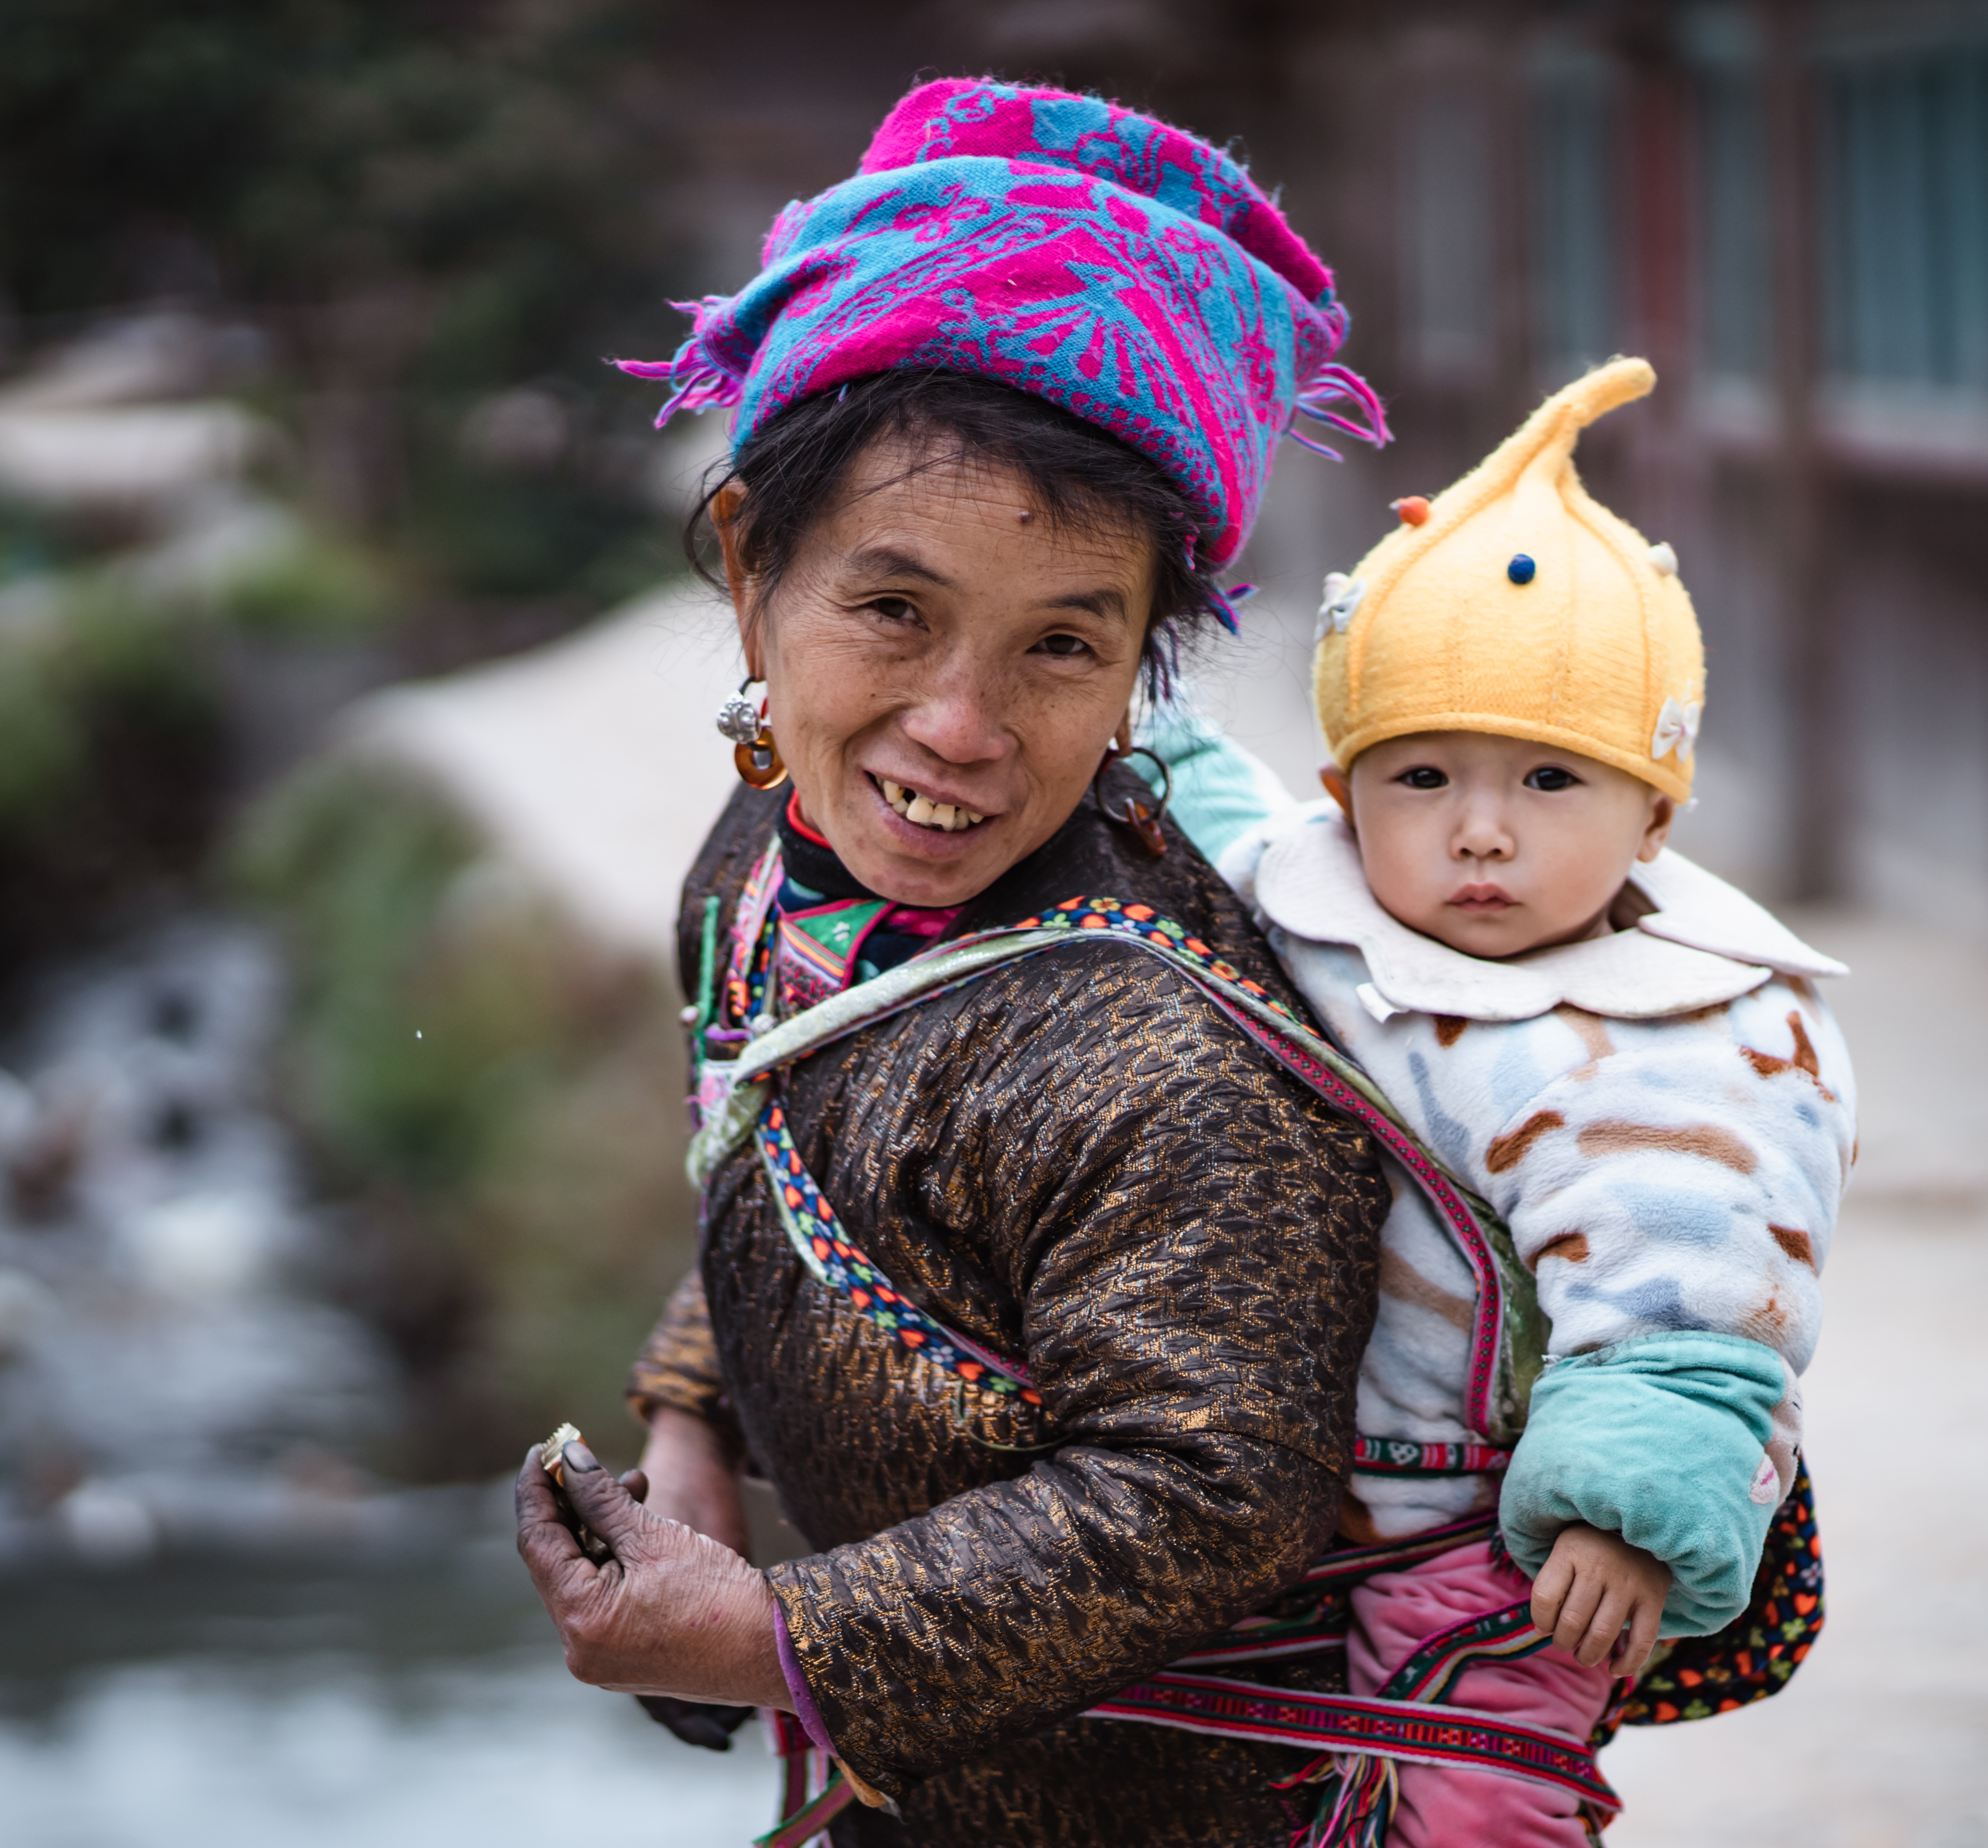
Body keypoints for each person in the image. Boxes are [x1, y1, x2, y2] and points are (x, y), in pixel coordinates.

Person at [510, 78, 1409, 1846]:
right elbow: (774, 1138)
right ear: (755, 567)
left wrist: (776, 1633)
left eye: (1064, 646)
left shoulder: (1155, 1056)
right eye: (891, 608)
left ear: (1150, 659)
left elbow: (1212, 1489)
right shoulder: (759, 866)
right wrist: (693, 1418)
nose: (957, 727)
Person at [1149, 357, 1857, 1845]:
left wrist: (1623, 1505)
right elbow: (1222, 818)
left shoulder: (1679, 1041)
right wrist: (1126, 728)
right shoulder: (1331, 894)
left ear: (1654, 809)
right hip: (1307, 1488)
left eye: (1549, 781)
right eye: (1421, 777)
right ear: (1346, 791)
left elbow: (1692, 1302)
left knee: (1480, 1805)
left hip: (1505, 1532)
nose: (1478, 832)